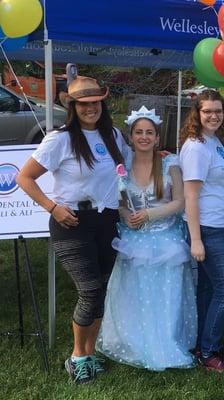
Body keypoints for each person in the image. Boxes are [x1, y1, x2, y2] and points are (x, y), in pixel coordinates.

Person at [16, 77, 130, 384]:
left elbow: (126, 171)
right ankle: (77, 357)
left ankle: (90, 354)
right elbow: (24, 178)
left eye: (95, 103)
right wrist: (53, 207)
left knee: (101, 290)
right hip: (72, 223)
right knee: (89, 290)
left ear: (102, 104)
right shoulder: (60, 139)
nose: (90, 108)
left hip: (106, 222)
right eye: (84, 104)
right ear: (73, 106)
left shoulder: (114, 136)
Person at [96, 106, 197, 370]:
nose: (144, 137)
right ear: (130, 136)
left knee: (166, 292)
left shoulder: (169, 163)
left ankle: (165, 338)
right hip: (134, 238)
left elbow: (180, 202)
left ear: (157, 138)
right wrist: (127, 214)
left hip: (166, 238)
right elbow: (117, 201)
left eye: (149, 133)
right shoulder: (122, 166)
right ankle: (134, 338)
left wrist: (150, 215)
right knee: (135, 291)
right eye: (139, 132)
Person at [179, 90, 224, 373]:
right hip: (206, 228)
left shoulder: (213, 142)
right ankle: (209, 351)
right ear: (197, 114)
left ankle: (204, 344)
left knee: (208, 288)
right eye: (207, 112)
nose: (214, 116)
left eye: (218, 111)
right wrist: (197, 240)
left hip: (218, 225)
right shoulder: (196, 147)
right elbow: (191, 196)